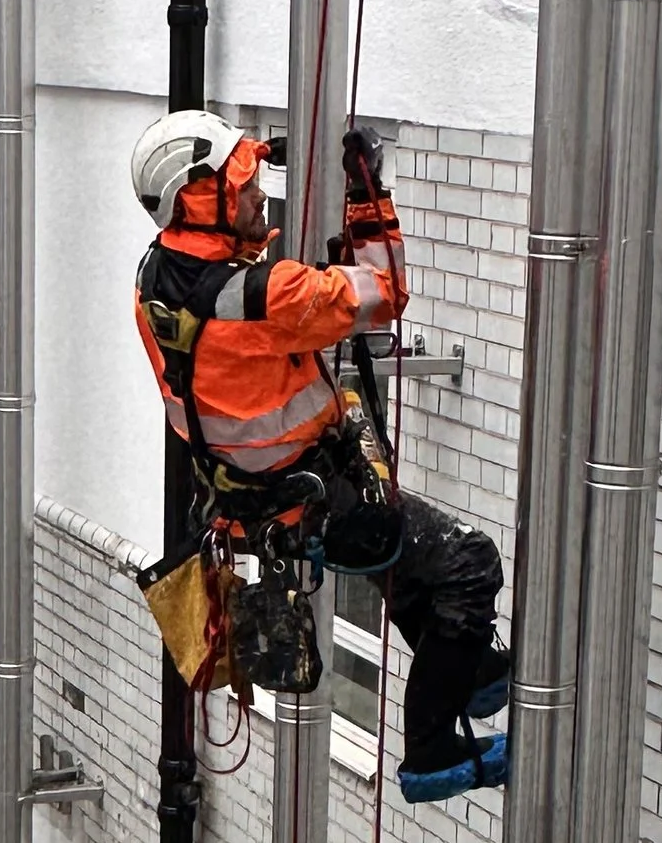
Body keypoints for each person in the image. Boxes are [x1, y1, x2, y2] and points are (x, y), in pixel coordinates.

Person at [131, 106, 510, 803]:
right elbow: (384, 294)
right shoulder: (269, 293)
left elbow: (244, 337)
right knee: (468, 559)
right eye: (241, 184)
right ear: (196, 197)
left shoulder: (154, 280)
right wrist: (368, 196)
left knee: (408, 560)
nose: (254, 195)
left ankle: (474, 672)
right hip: (309, 493)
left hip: (242, 496)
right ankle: (428, 747)